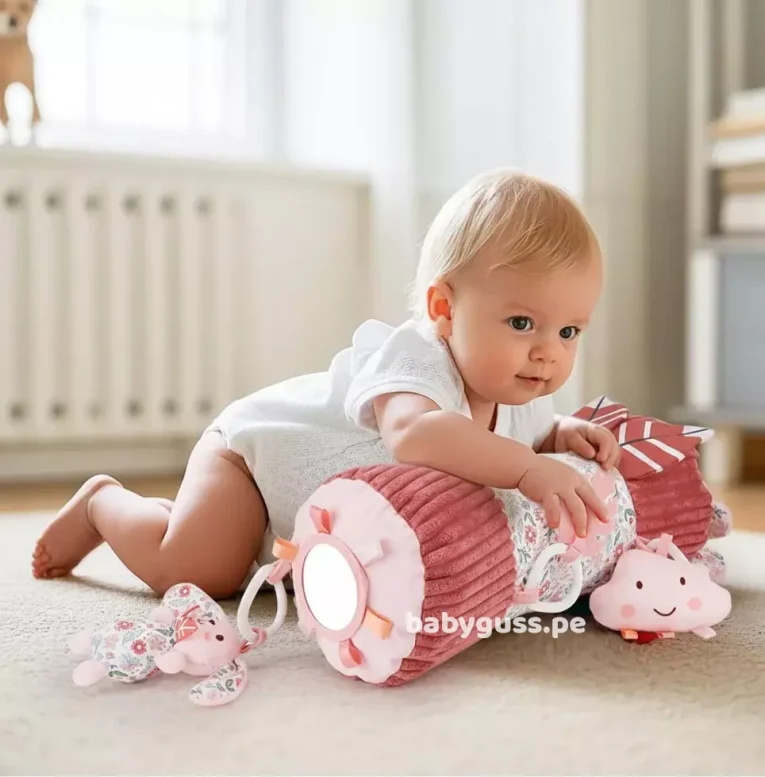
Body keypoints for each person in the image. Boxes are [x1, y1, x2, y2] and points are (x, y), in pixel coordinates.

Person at [32, 168, 620, 599]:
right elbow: (417, 436)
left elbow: (525, 436)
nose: (548, 352)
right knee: (194, 574)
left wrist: (563, 434)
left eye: (569, 331)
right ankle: (102, 504)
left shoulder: (518, 392)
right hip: (254, 463)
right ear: (443, 306)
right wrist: (525, 468)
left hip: (293, 509)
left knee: (233, 557)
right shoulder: (415, 359)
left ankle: (179, 514)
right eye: (522, 323)